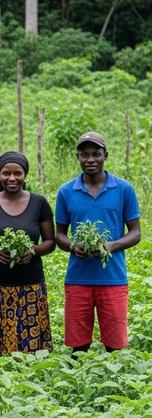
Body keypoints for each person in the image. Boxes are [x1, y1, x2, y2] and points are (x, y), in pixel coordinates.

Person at [55, 132, 141, 352]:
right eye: (84, 155)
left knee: (115, 345)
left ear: (106, 155)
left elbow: (135, 233)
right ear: (78, 157)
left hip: (113, 278)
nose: (90, 159)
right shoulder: (66, 192)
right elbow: (60, 235)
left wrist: (111, 246)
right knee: (78, 346)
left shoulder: (124, 190)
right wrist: (74, 246)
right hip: (77, 278)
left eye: (96, 154)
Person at [0, 151, 55, 354]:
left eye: (18, 173)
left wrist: (32, 250)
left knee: (30, 348)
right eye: (6, 173)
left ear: (25, 175)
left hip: (30, 284)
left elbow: (50, 242)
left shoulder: (39, 203)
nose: (12, 178)